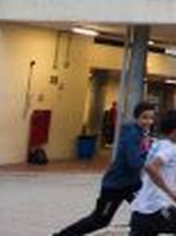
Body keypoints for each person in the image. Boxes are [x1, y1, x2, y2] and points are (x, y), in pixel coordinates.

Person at [52, 101, 157, 236]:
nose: (148, 121)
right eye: (144, 117)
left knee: (148, 211)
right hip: (115, 185)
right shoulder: (132, 135)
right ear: (136, 118)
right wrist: (149, 154)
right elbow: (134, 163)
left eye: (151, 118)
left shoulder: (141, 133)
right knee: (100, 220)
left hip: (132, 184)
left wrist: (148, 148)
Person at [128, 110, 176, 235]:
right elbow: (151, 167)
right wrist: (170, 192)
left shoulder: (156, 144)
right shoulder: (170, 148)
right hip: (156, 209)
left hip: (140, 211)